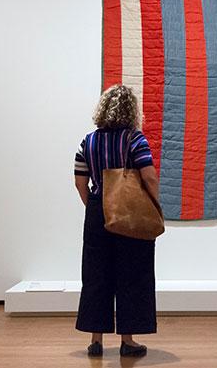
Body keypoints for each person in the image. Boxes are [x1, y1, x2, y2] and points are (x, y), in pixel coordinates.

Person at [73, 84, 160, 358]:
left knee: (96, 275)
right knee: (133, 274)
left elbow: (79, 181)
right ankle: (128, 340)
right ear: (131, 111)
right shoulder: (135, 140)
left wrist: (96, 206)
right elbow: (148, 177)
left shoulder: (88, 141)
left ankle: (96, 340)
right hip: (130, 214)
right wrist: (155, 205)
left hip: (98, 211)